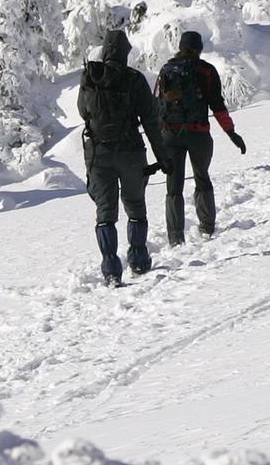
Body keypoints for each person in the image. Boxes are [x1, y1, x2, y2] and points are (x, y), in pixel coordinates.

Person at [77, 29, 165, 285]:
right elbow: (150, 120)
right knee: (135, 206)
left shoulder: (90, 76)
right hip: (130, 153)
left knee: (105, 213)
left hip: (98, 155)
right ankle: (138, 259)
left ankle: (111, 269)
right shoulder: (134, 79)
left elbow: (83, 112)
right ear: (125, 53)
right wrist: (163, 157)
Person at [153, 29, 246, 246]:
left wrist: (159, 137)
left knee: (173, 186)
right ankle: (207, 228)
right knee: (201, 178)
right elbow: (217, 105)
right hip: (198, 133)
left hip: (170, 135)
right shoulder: (206, 71)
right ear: (199, 48)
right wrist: (231, 132)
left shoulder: (166, 70)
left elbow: (157, 105)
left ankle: (175, 237)